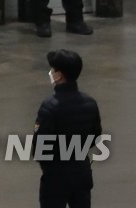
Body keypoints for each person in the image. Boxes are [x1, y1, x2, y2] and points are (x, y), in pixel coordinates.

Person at [35, 49, 102, 208]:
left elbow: (40, 146)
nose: (51, 72)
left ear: (59, 75)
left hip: (56, 177)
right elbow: (95, 136)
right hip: (81, 172)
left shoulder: (50, 106)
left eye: (53, 69)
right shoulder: (90, 103)